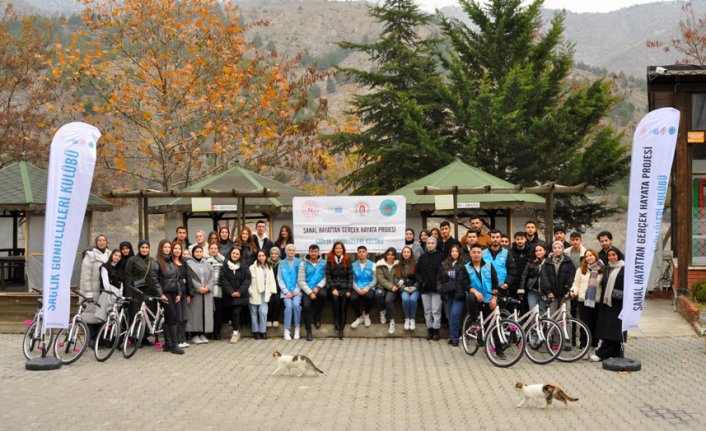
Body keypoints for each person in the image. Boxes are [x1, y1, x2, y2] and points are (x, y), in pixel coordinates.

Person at [464, 243, 504, 359]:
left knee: (493, 324)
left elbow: (495, 283)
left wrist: (494, 298)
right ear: (470, 254)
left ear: (482, 254)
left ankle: (499, 350)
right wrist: (475, 292)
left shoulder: (489, 265)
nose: (476, 255)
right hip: (475, 300)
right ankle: (474, 320)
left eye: (478, 252)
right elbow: (465, 284)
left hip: (489, 299)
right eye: (474, 252)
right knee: (470, 297)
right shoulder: (466, 267)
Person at [150, 239, 184, 354]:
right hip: (164, 294)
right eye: (165, 247)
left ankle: (168, 344)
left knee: (169, 318)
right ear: (161, 248)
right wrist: (161, 294)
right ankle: (174, 345)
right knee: (173, 317)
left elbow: (176, 278)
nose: (167, 249)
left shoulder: (171, 261)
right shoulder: (156, 262)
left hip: (174, 293)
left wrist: (179, 293)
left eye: (169, 247)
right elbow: (154, 280)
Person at [591, 248, 625, 362]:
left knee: (613, 329)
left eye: (614, 255)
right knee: (609, 329)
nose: (611, 257)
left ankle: (602, 353)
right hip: (607, 302)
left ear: (618, 256)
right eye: (609, 255)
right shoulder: (607, 268)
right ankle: (615, 353)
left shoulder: (624, 269)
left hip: (618, 303)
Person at [570, 249, 604, 357]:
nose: (589, 257)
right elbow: (576, 283)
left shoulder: (602, 269)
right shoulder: (581, 270)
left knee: (595, 325)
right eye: (587, 256)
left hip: (597, 302)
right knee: (585, 325)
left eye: (591, 255)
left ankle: (593, 347)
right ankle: (585, 347)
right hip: (583, 301)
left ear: (596, 256)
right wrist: (573, 291)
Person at [79, 235, 111, 339]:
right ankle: (90, 339)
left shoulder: (110, 254)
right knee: (90, 315)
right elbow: (85, 276)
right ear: (96, 242)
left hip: (104, 290)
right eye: (100, 240)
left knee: (102, 314)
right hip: (92, 290)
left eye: (104, 240)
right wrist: (88, 292)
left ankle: (100, 339)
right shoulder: (90, 255)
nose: (102, 242)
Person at [123, 240, 154, 345]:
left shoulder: (152, 260)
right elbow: (128, 276)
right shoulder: (132, 260)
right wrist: (129, 293)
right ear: (139, 248)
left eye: (146, 247)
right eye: (142, 247)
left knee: (146, 315)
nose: (144, 250)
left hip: (149, 292)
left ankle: (144, 337)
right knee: (135, 314)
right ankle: (135, 337)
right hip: (136, 291)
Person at [439, 244, 470, 346]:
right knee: (449, 316)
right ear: (450, 253)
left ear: (459, 253)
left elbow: (466, 280)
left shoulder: (464, 264)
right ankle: (452, 336)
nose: (454, 253)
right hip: (447, 294)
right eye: (452, 251)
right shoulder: (444, 263)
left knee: (455, 315)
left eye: (456, 251)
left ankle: (455, 338)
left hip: (458, 294)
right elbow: (439, 279)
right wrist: (441, 289)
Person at [415, 236, 444, 340]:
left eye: (432, 243)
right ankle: (430, 329)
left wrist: (439, 284)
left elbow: (443, 272)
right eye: (428, 243)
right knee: (427, 310)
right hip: (425, 288)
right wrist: (421, 282)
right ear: (426, 245)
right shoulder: (422, 257)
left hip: (436, 288)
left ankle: (436, 330)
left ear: (435, 244)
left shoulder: (441, 256)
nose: (430, 245)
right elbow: (417, 271)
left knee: (436, 310)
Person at [220, 247, 251, 344]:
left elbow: (248, 279)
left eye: (237, 254)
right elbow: (223, 280)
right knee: (232, 313)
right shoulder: (225, 266)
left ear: (240, 255)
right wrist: (231, 292)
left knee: (236, 312)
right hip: (229, 295)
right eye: (233, 253)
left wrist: (240, 291)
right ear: (230, 253)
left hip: (241, 295)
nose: (235, 255)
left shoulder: (244, 265)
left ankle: (235, 333)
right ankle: (237, 330)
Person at [298, 244, 328, 341]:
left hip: (319, 287)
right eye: (312, 251)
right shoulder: (303, 263)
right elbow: (301, 281)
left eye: (315, 251)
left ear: (318, 253)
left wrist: (318, 287)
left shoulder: (324, 263)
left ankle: (317, 315)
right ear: (309, 252)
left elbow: (326, 277)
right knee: (306, 306)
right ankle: (309, 331)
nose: (313, 253)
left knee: (323, 295)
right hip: (308, 288)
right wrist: (310, 292)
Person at [185, 245, 214, 345]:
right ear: (193, 253)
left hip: (206, 292)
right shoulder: (189, 264)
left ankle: (202, 334)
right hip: (196, 293)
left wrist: (208, 287)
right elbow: (190, 278)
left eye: (200, 251)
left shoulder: (207, 263)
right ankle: (194, 335)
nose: (198, 253)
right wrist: (198, 288)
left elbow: (212, 276)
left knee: (204, 313)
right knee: (195, 314)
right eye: (196, 251)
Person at [547, 241, 576, 336]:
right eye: (555, 248)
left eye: (559, 247)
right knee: (553, 317)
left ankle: (567, 341)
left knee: (566, 317)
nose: (557, 249)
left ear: (563, 249)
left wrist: (568, 290)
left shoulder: (568, 261)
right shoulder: (548, 261)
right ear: (552, 249)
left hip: (565, 294)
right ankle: (555, 341)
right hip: (553, 294)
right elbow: (545, 277)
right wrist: (548, 291)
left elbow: (572, 277)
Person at [326, 241, 353, 339]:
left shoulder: (347, 258)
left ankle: (341, 330)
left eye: (340, 248)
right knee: (335, 301)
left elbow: (350, 275)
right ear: (334, 249)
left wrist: (349, 289)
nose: (338, 250)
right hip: (334, 287)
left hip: (345, 287)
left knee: (343, 307)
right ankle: (336, 320)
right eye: (336, 248)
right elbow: (328, 275)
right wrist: (333, 288)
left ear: (343, 249)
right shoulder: (329, 259)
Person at [518, 242, 554, 315]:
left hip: (545, 293)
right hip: (532, 291)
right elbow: (524, 276)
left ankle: (542, 327)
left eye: (540, 250)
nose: (538, 252)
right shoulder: (531, 262)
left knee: (543, 313)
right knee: (533, 312)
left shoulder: (549, 262)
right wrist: (521, 289)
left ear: (545, 251)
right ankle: (534, 326)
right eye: (536, 251)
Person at [249, 249, 277, 340]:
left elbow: (272, 279)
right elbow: (248, 281)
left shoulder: (269, 266)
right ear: (257, 257)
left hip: (265, 292)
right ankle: (256, 331)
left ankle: (263, 331)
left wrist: (272, 290)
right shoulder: (252, 267)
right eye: (259, 256)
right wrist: (250, 292)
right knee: (254, 312)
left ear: (266, 256)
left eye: (263, 255)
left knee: (263, 312)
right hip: (255, 292)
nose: (261, 257)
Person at [278, 244, 302, 340]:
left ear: (295, 252)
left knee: (296, 305)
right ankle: (286, 330)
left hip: (297, 291)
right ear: (286, 251)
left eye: (293, 250)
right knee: (288, 306)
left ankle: (297, 328)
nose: (291, 252)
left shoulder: (300, 262)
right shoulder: (281, 263)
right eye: (289, 250)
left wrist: (297, 289)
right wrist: (285, 291)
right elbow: (279, 279)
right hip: (286, 292)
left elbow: (301, 277)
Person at [482, 230, 516, 298]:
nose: (495, 239)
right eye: (493, 237)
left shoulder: (506, 253)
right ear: (490, 238)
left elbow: (512, 270)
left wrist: (507, 283)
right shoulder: (482, 253)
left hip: (502, 288)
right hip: (486, 288)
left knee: (501, 308)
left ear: (500, 238)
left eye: (497, 237)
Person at [350, 245, 377, 328]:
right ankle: (359, 317)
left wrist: (367, 288)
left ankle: (366, 314)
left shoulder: (372, 264)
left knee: (369, 296)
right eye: (360, 252)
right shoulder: (353, 265)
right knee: (353, 298)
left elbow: (375, 280)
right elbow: (352, 280)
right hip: (357, 287)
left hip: (369, 286)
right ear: (357, 254)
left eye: (363, 252)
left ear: (367, 253)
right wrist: (357, 289)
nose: (361, 253)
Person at [171, 241, 191, 349]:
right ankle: (178, 340)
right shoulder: (170, 262)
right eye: (175, 249)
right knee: (177, 316)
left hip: (183, 292)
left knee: (184, 316)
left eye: (179, 249)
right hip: (175, 293)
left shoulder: (183, 262)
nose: (177, 251)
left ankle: (183, 339)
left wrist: (189, 293)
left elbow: (188, 278)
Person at [375, 247, 399, 334]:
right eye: (388, 254)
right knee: (378, 294)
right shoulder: (380, 264)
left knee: (388, 300)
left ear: (395, 256)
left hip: (393, 287)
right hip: (381, 286)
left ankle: (392, 321)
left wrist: (394, 286)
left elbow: (397, 277)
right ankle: (382, 311)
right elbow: (380, 279)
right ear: (386, 255)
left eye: (392, 255)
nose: (390, 256)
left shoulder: (397, 265)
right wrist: (390, 286)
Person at [96, 249, 123, 323]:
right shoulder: (105, 266)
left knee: (114, 317)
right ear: (112, 255)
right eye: (115, 255)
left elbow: (121, 283)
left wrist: (120, 294)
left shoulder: (119, 268)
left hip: (117, 295)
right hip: (109, 294)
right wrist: (112, 293)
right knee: (105, 315)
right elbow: (106, 283)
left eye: (119, 256)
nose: (117, 257)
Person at [205, 242, 225, 340]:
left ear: (218, 250)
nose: (213, 250)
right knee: (210, 313)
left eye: (215, 248)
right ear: (209, 250)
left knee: (219, 313)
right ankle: (210, 332)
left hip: (219, 290)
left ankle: (217, 332)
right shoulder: (205, 261)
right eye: (211, 248)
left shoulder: (223, 260)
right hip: (209, 291)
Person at [395, 246, 418, 331]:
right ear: (402, 253)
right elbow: (396, 278)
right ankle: (407, 318)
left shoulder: (416, 263)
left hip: (415, 288)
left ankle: (412, 319)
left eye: (408, 252)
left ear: (411, 253)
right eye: (404, 252)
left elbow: (419, 278)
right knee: (405, 299)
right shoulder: (399, 264)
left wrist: (415, 287)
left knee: (412, 300)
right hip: (404, 288)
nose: (406, 253)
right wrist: (404, 288)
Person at [266, 247, 283, 328]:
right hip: (268, 287)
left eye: (276, 254)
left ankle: (275, 319)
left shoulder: (281, 263)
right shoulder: (267, 263)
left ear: (278, 254)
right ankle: (269, 319)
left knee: (277, 300)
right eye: (272, 253)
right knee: (269, 301)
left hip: (278, 287)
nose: (274, 255)